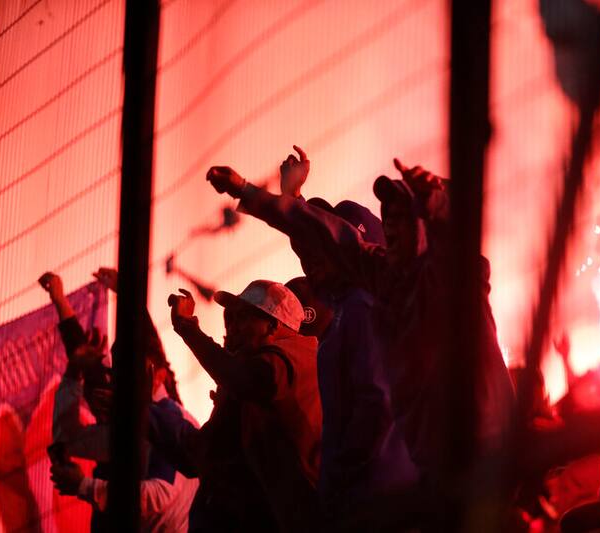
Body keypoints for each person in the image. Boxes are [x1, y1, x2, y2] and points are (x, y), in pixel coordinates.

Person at [206, 155, 514, 491]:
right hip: (432, 477)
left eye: (404, 218)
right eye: (389, 218)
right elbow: (322, 235)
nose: (393, 226)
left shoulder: (455, 282)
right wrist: (248, 191)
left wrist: (437, 205)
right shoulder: (384, 279)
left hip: (482, 464)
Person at [279, 148, 420, 530]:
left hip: (374, 498)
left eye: (331, 244)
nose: (315, 254)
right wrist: (292, 201)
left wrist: (339, 476)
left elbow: (378, 402)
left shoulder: (363, 306)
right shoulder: (345, 303)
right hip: (367, 494)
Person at [39, 270, 199, 533]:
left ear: (156, 377)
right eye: (118, 369)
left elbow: (159, 495)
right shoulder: (126, 419)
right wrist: (73, 371)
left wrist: (84, 486)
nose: (116, 379)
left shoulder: (172, 421)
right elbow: (69, 437)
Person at [155, 280, 322, 532]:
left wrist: (188, 328)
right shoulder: (300, 356)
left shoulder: (284, 360)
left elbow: (244, 381)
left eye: (243, 319)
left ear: (273, 325)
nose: (234, 329)